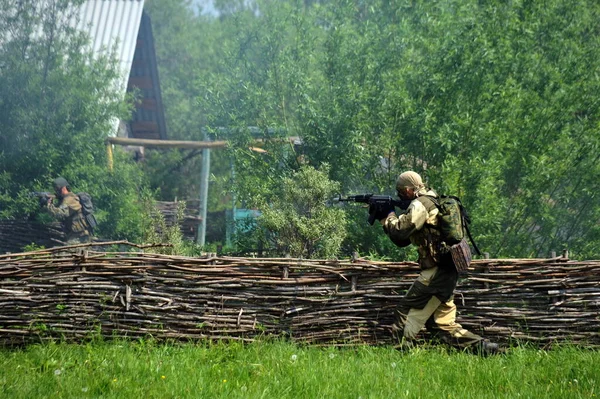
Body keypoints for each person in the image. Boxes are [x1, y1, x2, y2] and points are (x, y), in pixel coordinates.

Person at [378, 171, 498, 353]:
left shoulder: (421, 204)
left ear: (410, 189)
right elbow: (403, 240)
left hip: (435, 272)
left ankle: (401, 353)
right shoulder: (433, 200)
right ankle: (484, 348)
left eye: (401, 191)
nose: (399, 195)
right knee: (441, 324)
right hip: (447, 272)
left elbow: (400, 232)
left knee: (405, 310)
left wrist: (388, 217)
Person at [43, 177, 92, 245]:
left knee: (66, 253)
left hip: (80, 236)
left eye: (57, 189)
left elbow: (60, 213)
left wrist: (49, 204)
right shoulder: (66, 199)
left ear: (63, 188)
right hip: (75, 235)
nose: (56, 191)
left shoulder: (70, 199)